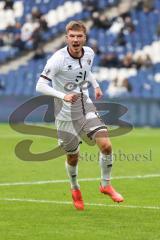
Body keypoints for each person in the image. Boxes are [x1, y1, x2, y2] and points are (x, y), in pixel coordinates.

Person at [36, 21, 124, 211]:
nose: (75, 40)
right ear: (66, 38)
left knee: (106, 145)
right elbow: (40, 86)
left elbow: (86, 71)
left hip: (84, 104)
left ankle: (106, 184)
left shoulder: (89, 53)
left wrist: (96, 85)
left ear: (85, 37)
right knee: (73, 157)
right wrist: (63, 96)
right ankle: (75, 188)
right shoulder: (57, 60)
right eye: (72, 36)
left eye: (79, 36)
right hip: (63, 111)